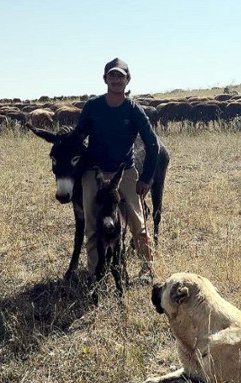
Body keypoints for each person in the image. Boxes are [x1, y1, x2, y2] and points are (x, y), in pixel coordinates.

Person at [72, 57, 160, 285]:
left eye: (120, 76)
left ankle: (147, 269)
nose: (116, 80)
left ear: (128, 80)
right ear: (105, 79)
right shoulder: (93, 107)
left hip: (125, 172)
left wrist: (146, 177)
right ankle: (95, 274)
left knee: (138, 224)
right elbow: (78, 137)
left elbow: (153, 144)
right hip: (95, 173)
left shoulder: (134, 110)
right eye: (112, 75)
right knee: (92, 224)